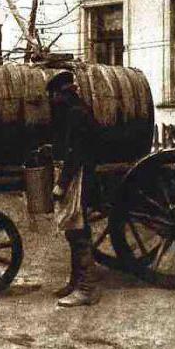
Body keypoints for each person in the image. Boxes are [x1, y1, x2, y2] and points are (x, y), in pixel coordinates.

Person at [46, 69, 100, 307]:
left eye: (54, 95)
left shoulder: (77, 114)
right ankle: (76, 281)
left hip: (79, 177)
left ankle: (87, 289)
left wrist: (61, 184)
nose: (52, 101)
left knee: (78, 230)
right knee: (73, 229)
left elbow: (76, 153)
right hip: (78, 174)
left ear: (62, 93)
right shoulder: (74, 112)